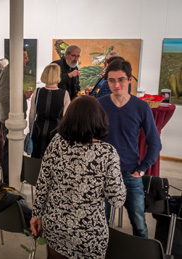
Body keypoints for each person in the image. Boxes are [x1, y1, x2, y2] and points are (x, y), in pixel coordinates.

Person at [30, 95, 126, 259]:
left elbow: (43, 182)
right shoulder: (107, 153)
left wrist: (36, 214)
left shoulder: (57, 142)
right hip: (89, 234)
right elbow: (117, 200)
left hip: (55, 226)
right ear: (99, 119)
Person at [98, 59, 162, 238]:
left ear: (129, 80)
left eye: (121, 79)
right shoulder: (100, 104)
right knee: (101, 224)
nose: (116, 84)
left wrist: (141, 170)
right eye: (111, 80)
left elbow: (155, 143)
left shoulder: (141, 107)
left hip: (130, 173)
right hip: (103, 174)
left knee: (140, 225)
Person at [0, 48, 32, 184]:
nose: (27, 60)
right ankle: (7, 182)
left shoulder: (12, 72)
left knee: (10, 152)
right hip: (9, 120)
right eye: (25, 57)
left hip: (9, 119)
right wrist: (24, 96)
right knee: (8, 153)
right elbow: (5, 98)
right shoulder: (8, 74)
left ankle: (9, 180)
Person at [28, 64, 70, 158]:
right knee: (53, 159)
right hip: (56, 131)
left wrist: (31, 127)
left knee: (36, 158)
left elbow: (32, 114)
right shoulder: (64, 94)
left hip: (38, 129)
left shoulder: (38, 91)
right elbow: (66, 118)